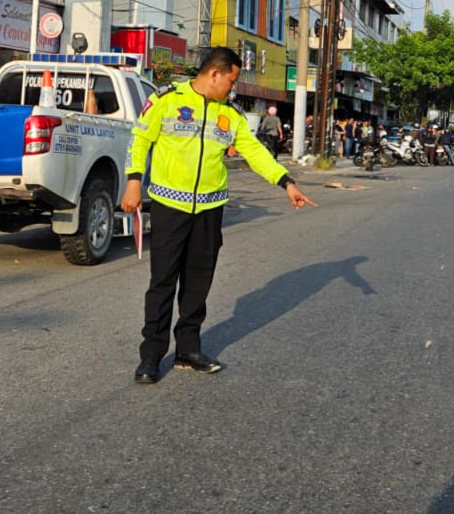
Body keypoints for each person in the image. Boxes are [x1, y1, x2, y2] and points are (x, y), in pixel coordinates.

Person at [123, 47, 315, 385]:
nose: (233, 88)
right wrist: (134, 182)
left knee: (198, 282)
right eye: (231, 80)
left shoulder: (231, 115)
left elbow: (253, 151)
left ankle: (188, 349)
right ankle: (151, 356)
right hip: (170, 207)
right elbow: (140, 140)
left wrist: (286, 182)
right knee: (163, 282)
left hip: (210, 210)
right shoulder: (166, 100)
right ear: (214, 74)